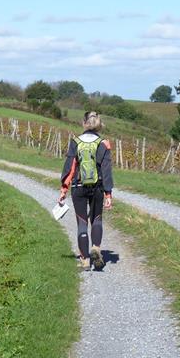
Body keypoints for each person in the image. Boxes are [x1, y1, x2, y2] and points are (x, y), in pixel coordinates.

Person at [58, 111, 113, 271]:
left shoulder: (75, 142)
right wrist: (108, 193)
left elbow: (70, 167)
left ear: (84, 123)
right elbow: (106, 170)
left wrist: (63, 189)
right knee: (96, 219)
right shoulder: (104, 143)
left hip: (78, 187)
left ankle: (85, 260)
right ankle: (96, 247)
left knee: (82, 223)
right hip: (97, 187)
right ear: (99, 124)